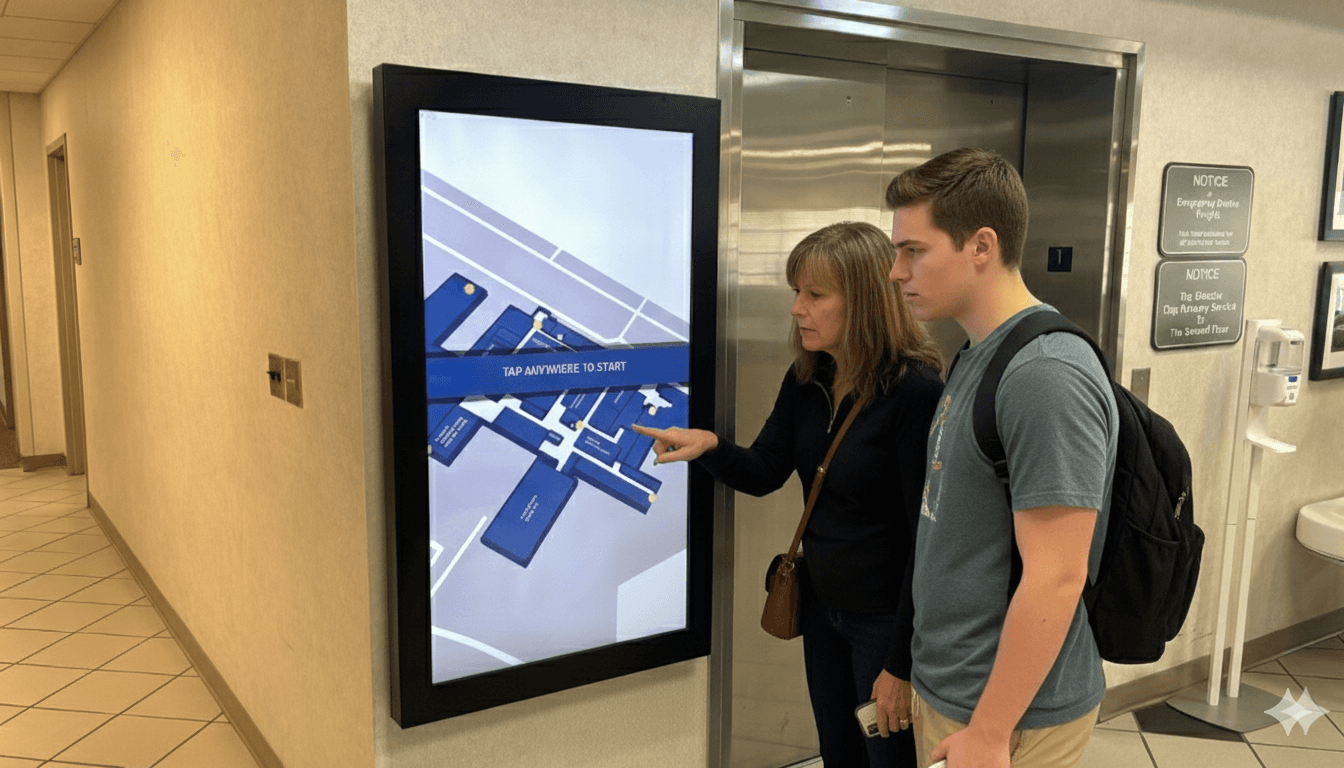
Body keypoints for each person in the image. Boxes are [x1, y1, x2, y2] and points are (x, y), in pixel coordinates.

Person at [635, 221, 943, 768]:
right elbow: (764, 471)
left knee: (888, 761)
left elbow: (929, 540)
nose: (798, 308)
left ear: (865, 301)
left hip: (884, 622)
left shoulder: (914, 392)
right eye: (796, 292)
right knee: (838, 754)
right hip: (822, 606)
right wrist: (710, 447)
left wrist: (901, 663)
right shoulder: (807, 378)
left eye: (815, 295)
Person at [884, 148, 1119, 768]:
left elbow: (1057, 573)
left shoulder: (1044, 375)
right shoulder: (977, 353)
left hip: (1008, 717)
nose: (896, 272)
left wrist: (990, 730)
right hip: (958, 691)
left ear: (981, 246)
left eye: (913, 251)